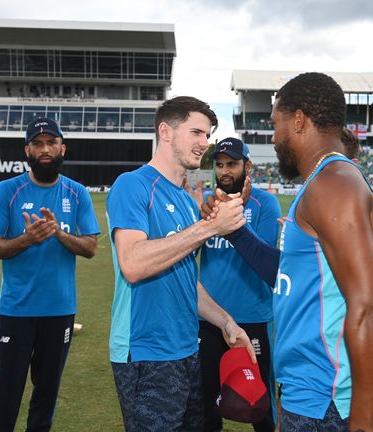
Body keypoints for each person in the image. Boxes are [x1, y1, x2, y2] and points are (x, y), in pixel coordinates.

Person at [203, 125, 373, 431]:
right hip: (310, 385)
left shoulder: (334, 188)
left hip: (330, 391)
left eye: (276, 123)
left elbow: (370, 310)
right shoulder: (331, 192)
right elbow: (289, 277)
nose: (274, 138)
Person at [106, 96, 256, 432]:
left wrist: (226, 322)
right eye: (197, 132)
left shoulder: (188, 202)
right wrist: (210, 228)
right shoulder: (133, 185)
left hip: (187, 350)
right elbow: (132, 263)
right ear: (166, 132)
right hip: (146, 352)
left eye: (207, 134)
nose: (205, 142)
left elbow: (187, 281)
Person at [0, 117, 100, 432]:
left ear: (63, 148)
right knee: (9, 391)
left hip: (60, 311)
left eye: (51, 143)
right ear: (27, 150)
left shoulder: (77, 193)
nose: (45, 149)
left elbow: (90, 247)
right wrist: (27, 239)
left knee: (46, 393)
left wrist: (58, 233)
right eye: (38, 143)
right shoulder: (7, 191)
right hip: (16, 309)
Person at [198, 137, 281, 432]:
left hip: (253, 320)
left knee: (260, 408)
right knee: (208, 404)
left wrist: (234, 220)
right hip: (210, 320)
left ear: (247, 166)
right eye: (219, 165)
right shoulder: (207, 205)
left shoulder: (265, 204)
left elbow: (266, 263)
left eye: (232, 164)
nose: (224, 171)